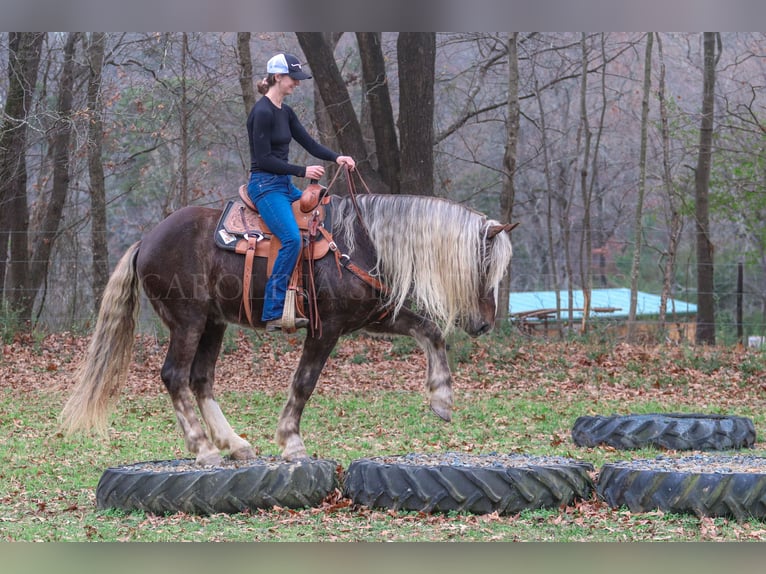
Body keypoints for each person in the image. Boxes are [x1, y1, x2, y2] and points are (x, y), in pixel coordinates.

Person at [247, 52, 355, 332]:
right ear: (278, 77)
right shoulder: (261, 112)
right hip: (264, 186)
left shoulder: (285, 111)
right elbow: (263, 159)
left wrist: (336, 158)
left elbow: (309, 143)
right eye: (293, 78)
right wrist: (302, 172)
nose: (296, 83)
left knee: (324, 218)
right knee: (292, 239)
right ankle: (272, 311)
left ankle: (311, 294)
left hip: (283, 185)